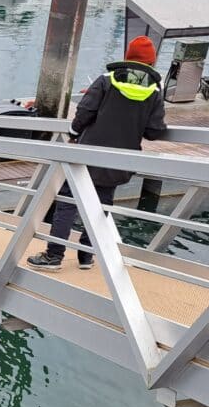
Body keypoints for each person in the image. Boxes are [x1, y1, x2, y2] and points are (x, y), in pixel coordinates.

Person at [27, 35, 167, 272]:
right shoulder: (154, 90)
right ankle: (86, 256)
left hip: (89, 155)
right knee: (100, 208)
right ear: (151, 63)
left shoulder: (107, 80)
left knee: (68, 204)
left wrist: (73, 131)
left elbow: (85, 110)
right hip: (119, 161)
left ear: (127, 57)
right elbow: (154, 131)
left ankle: (54, 256)